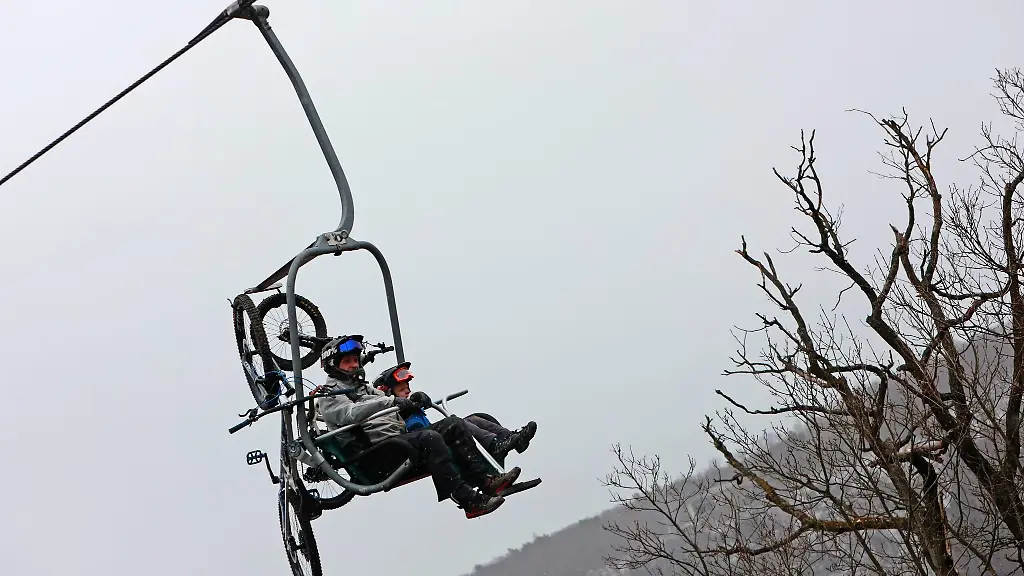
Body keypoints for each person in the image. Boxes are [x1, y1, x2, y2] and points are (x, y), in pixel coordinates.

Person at [314, 335, 518, 519]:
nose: (354, 365)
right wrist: (391, 401)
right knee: (429, 438)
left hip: (396, 442)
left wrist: (412, 401)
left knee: (453, 424)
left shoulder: (364, 388)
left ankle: (485, 480)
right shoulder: (328, 394)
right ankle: (468, 501)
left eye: (355, 360)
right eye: (347, 361)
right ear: (333, 364)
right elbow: (350, 414)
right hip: (374, 454)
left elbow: (390, 406)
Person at [372, 362, 537, 461]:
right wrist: (405, 407)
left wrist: (417, 402)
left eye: (408, 388)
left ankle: (512, 438)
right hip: (420, 444)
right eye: (402, 390)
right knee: (457, 423)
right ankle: (495, 445)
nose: (407, 392)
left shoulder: (409, 407)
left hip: (431, 436)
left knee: (475, 419)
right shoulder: (388, 413)